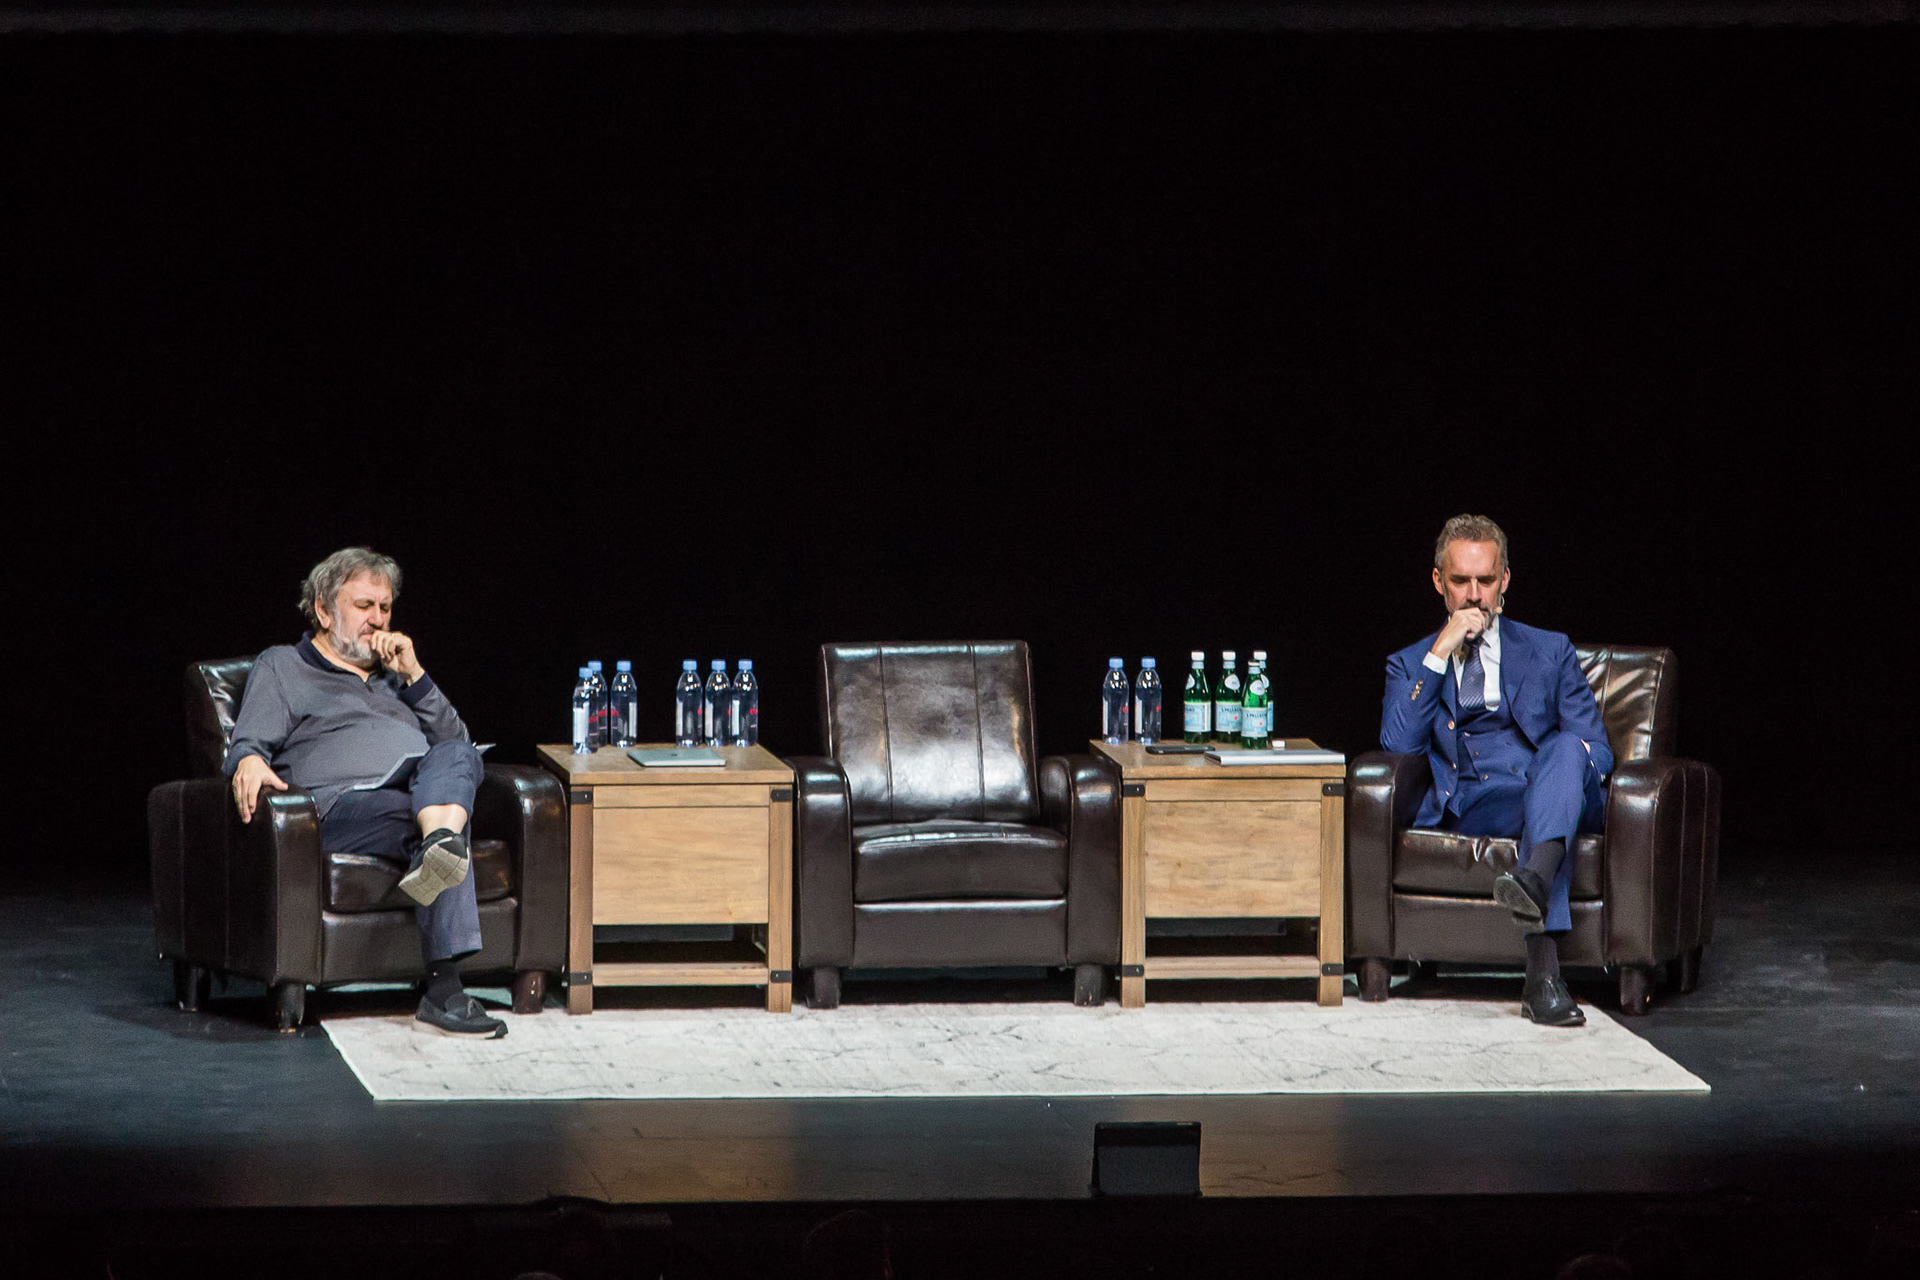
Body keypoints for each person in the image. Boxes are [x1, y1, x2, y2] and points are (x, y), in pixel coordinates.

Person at [225, 546, 506, 1038]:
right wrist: (247, 759)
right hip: (340, 807)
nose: (378, 620)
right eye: (364, 606)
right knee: (437, 817)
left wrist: (415, 676)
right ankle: (444, 988)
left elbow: (456, 742)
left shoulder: (397, 679)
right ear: (323, 610)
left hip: (414, 797)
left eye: (386, 607)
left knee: (461, 755)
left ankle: (439, 842)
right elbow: (248, 742)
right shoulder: (283, 666)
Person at [1379, 514, 1613, 1027]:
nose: (1474, 595)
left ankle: (1539, 929)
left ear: (1504, 580)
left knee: (1567, 750)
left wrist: (1564, 778)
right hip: (1476, 800)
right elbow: (1397, 742)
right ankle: (1541, 970)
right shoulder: (1412, 662)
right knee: (1547, 813)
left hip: (1549, 784)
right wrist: (1441, 650)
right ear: (1439, 583)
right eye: (1460, 581)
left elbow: (1597, 747)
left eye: (1486, 581)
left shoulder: (1549, 650)